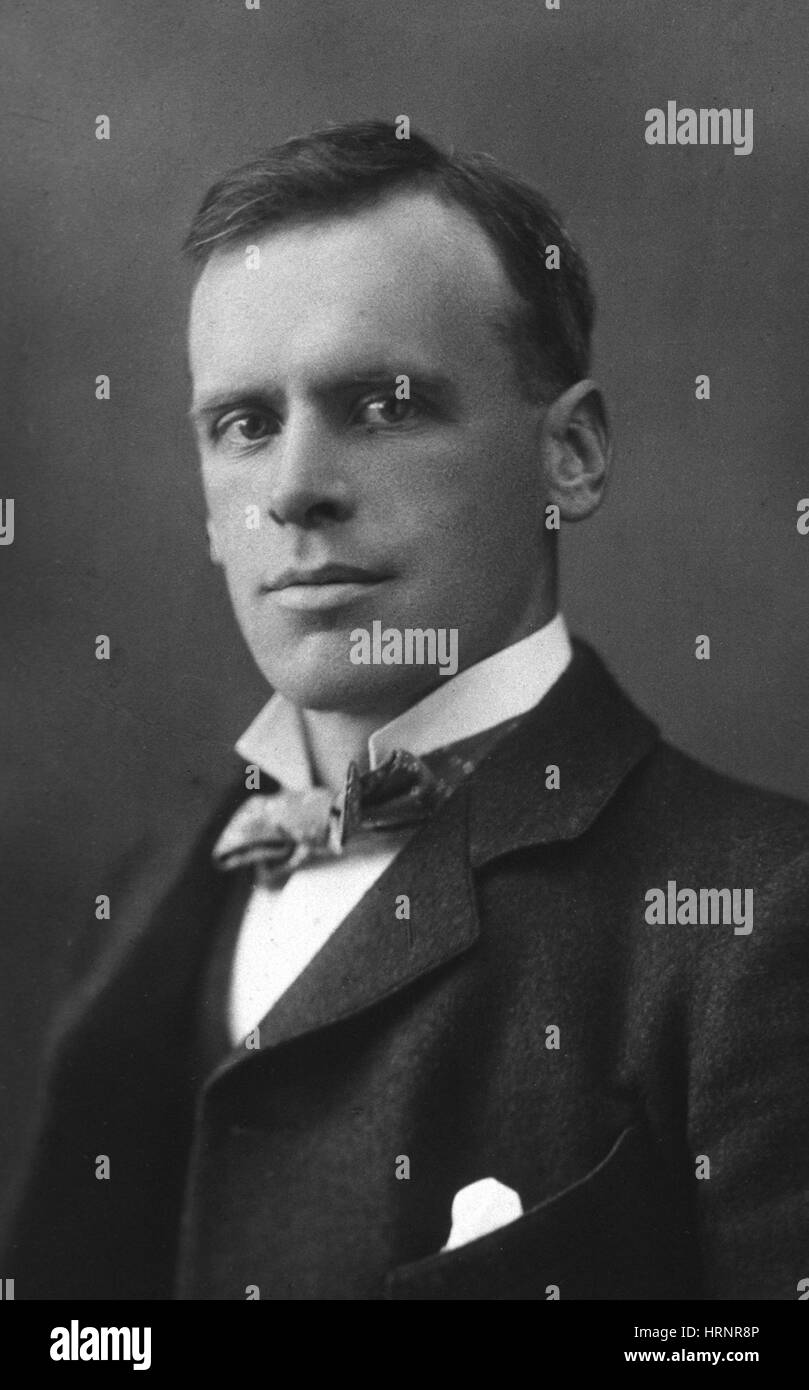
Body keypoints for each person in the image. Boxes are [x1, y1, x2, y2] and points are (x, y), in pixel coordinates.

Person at [4, 120, 808, 1301]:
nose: (291, 490)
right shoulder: (140, 902)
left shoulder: (760, 919)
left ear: (570, 455)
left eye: (381, 405)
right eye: (244, 424)